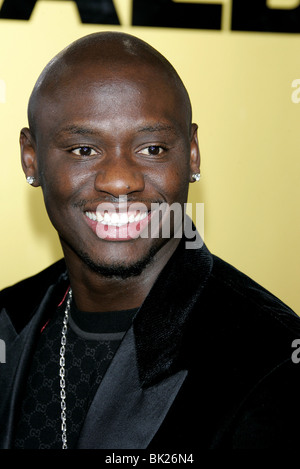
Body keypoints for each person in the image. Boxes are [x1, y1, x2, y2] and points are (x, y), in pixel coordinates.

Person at [0, 31, 300, 451]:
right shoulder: (9, 319)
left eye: (153, 148)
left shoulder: (272, 360)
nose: (120, 180)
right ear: (30, 159)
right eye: (84, 150)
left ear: (192, 154)